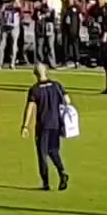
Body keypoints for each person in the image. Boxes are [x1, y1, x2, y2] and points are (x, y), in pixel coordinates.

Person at [21, 63, 71, 191]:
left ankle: (46, 182)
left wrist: (25, 126)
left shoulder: (35, 89)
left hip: (43, 125)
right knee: (53, 150)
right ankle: (62, 171)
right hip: (56, 124)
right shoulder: (57, 86)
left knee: (42, 153)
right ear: (47, 72)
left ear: (35, 74)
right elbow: (67, 100)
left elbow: (30, 108)